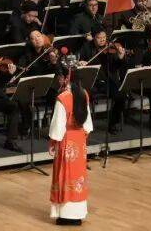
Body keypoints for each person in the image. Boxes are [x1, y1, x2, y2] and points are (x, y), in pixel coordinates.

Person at [47, 56, 93, 226]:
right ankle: (78, 213)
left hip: (66, 141)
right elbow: (87, 124)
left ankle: (66, 215)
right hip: (79, 140)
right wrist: (81, 137)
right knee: (78, 175)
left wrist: (53, 142)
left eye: (60, 77)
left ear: (66, 78)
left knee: (65, 175)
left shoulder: (63, 98)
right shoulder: (84, 94)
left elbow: (57, 127)